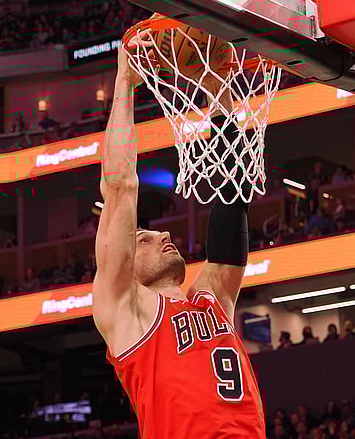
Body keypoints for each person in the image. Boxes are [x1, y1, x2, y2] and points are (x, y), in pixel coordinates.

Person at [93, 28, 266, 438]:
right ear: (125, 266)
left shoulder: (211, 299)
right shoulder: (125, 313)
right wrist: (123, 83)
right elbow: (120, 187)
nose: (161, 236)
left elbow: (231, 193)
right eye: (142, 238)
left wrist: (216, 91)